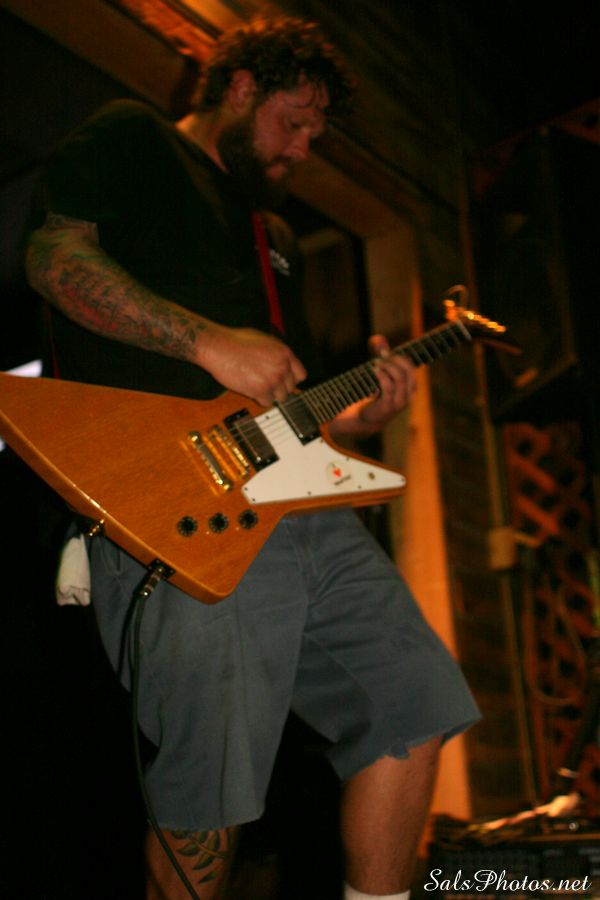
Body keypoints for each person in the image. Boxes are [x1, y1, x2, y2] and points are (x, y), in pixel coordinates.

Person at [25, 16, 479, 900]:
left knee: (416, 702)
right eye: (294, 121)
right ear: (240, 89)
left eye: (315, 133)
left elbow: (281, 402)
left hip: (299, 507)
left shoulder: (273, 235)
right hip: (175, 500)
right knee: (212, 777)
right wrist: (206, 342)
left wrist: (356, 420)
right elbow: (54, 258)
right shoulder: (133, 136)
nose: (303, 148)